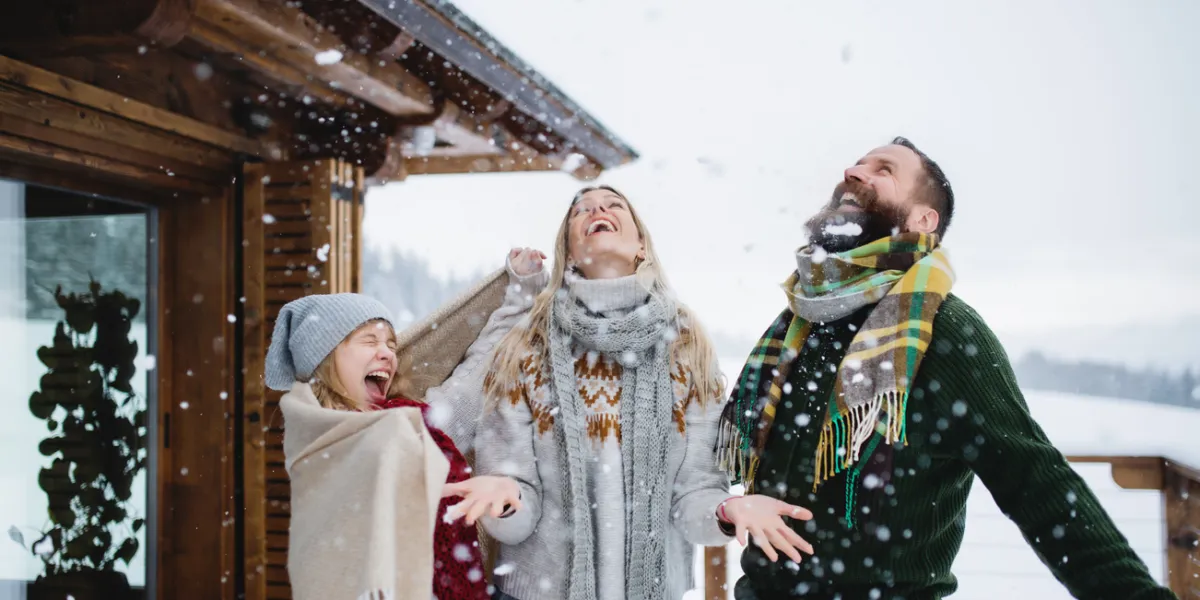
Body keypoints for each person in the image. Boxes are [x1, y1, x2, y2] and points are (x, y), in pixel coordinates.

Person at [716, 138, 1178, 600]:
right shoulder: (800, 323)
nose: (854, 172)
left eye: (884, 170)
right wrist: (728, 506)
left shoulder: (943, 329)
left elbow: (1035, 480)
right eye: (857, 164)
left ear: (923, 221)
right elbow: (712, 465)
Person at [447, 186, 812, 600]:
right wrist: (507, 496)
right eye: (580, 211)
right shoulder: (528, 345)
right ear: (568, 248)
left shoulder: (686, 346)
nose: (597, 210)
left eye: (613, 205)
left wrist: (725, 511)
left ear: (641, 245)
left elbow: (692, 494)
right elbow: (517, 511)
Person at [264, 248, 547, 600]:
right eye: (369, 341)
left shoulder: (413, 419)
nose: (386, 353)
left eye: (391, 344)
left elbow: (478, 372)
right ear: (323, 360)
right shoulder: (322, 447)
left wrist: (520, 293)